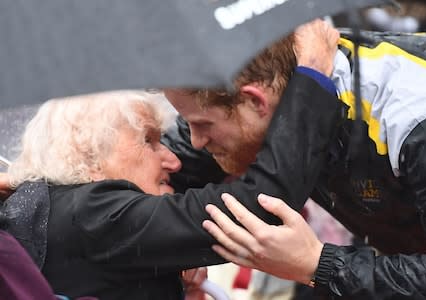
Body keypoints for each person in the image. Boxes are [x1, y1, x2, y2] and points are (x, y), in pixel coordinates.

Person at [0, 24, 342, 300]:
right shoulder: (91, 213)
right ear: (90, 156)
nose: (172, 160)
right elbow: (256, 210)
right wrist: (312, 78)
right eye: (149, 141)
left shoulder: (47, 210)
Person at [162, 19, 426, 299]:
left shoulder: (415, 117)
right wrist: (173, 242)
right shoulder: (272, 86)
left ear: (254, 101)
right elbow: (166, 165)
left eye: (202, 126)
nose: (195, 140)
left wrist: (318, 264)